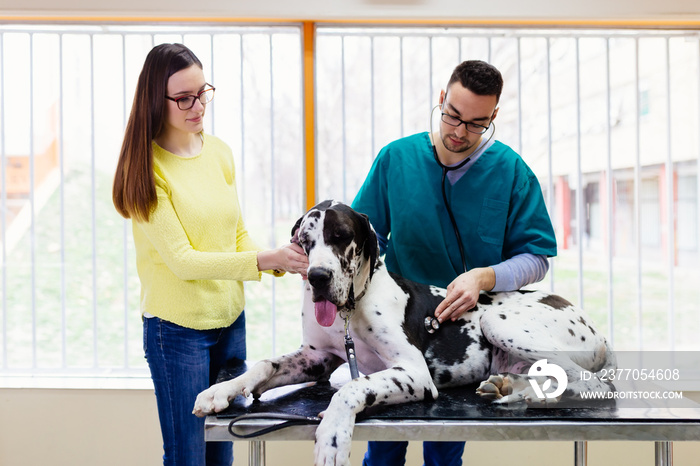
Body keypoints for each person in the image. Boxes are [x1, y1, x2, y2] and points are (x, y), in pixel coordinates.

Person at [352, 60, 557, 466]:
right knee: (383, 450)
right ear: (441, 99)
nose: (460, 132)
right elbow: (365, 240)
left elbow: (537, 257)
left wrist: (485, 276)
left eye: (477, 124)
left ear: (493, 116)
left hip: (465, 337)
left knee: (445, 454)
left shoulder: (511, 171)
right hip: (398, 329)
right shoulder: (397, 159)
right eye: (453, 116)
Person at [112, 43, 308, 466]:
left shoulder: (218, 152)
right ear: (155, 99)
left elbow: (234, 234)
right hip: (177, 333)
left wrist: (284, 261)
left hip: (229, 322)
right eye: (184, 98)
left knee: (222, 454)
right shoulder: (146, 168)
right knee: (188, 455)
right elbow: (183, 260)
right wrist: (265, 261)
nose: (198, 105)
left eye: (203, 92)